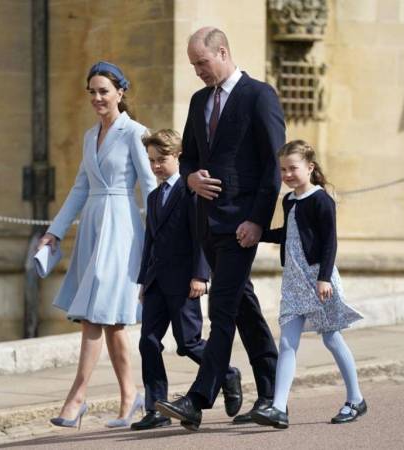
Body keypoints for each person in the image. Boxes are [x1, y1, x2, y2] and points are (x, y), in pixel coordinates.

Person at [155, 27, 283, 431]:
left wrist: (258, 221)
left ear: (223, 52)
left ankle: (197, 399)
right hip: (206, 225)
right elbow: (189, 158)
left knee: (222, 307)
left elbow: (272, 164)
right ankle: (271, 393)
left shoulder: (259, 96)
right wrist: (189, 179)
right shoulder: (198, 101)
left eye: (202, 63)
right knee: (242, 305)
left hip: (242, 225)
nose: (197, 72)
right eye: (193, 65)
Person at [39, 61, 156, 429]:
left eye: (103, 90)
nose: (97, 98)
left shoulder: (136, 133)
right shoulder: (90, 137)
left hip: (122, 228)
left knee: (95, 314)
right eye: (92, 91)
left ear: (121, 92)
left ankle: (76, 399)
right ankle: (129, 397)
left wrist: (159, 237)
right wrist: (54, 232)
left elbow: (151, 187)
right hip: (92, 226)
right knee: (112, 321)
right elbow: (80, 187)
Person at [131, 129, 241, 430]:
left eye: (161, 159)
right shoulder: (154, 197)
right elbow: (149, 242)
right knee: (148, 343)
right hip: (155, 281)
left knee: (189, 343)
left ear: (178, 156)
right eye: (151, 160)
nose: (155, 166)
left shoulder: (191, 193)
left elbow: (200, 237)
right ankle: (156, 409)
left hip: (184, 282)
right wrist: (143, 281)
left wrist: (200, 275)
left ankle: (228, 374)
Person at [251, 140, 366, 429]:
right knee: (287, 342)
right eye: (283, 170)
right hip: (293, 279)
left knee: (331, 338)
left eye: (293, 168)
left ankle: (356, 399)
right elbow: (290, 235)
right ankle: (278, 408)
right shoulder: (289, 200)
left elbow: (329, 242)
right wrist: (259, 234)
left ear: (310, 167)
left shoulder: (321, 199)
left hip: (317, 278)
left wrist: (324, 277)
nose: (287, 174)